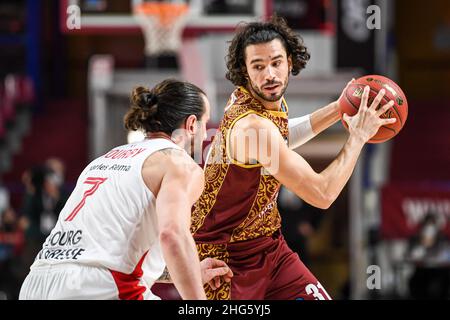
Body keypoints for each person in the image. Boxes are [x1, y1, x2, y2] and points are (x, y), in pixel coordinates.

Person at [191, 15, 396, 300]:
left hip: (270, 249)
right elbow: (323, 194)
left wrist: (339, 108)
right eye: (258, 66)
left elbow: (281, 136)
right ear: (245, 71)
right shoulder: (252, 127)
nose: (269, 75)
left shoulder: (261, 102)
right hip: (224, 262)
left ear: (289, 61)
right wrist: (358, 136)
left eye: (276, 63)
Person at [19, 79, 232, 300]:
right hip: (100, 288)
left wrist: (189, 272)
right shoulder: (179, 164)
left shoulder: (105, 159)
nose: (206, 134)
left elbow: (102, 253)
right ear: (190, 124)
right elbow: (173, 235)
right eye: (205, 123)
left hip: (37, 282)